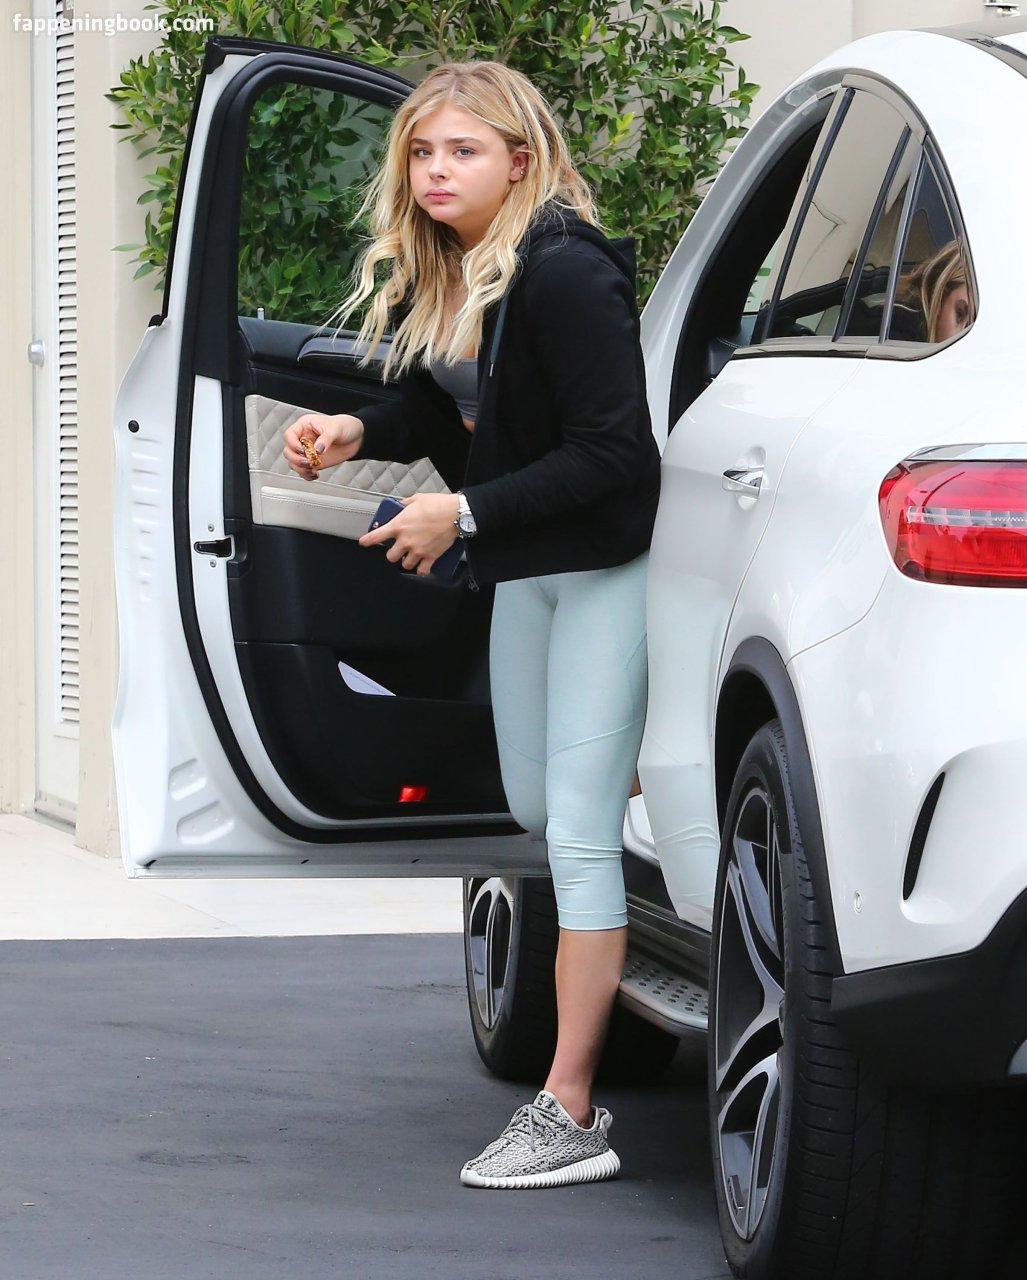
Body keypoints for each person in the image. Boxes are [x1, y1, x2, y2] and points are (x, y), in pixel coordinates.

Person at [282, 60, 660, 1190]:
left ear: (520, 160)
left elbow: (616, 455)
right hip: (525, 571)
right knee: (540, 807)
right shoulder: (461, 266)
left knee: (577, 834)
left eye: (463, 150)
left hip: (599, 570)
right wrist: (355, 431)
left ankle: (571, 1107)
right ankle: (651, 811)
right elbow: (446, 401)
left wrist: (462, 511)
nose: (435, 170)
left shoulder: (564, 271)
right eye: (421, 151)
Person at [892, 238, 974, 343]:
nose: (961, 339)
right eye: (959, 315)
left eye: (969, 327)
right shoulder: (899, 333)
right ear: (941, 297)